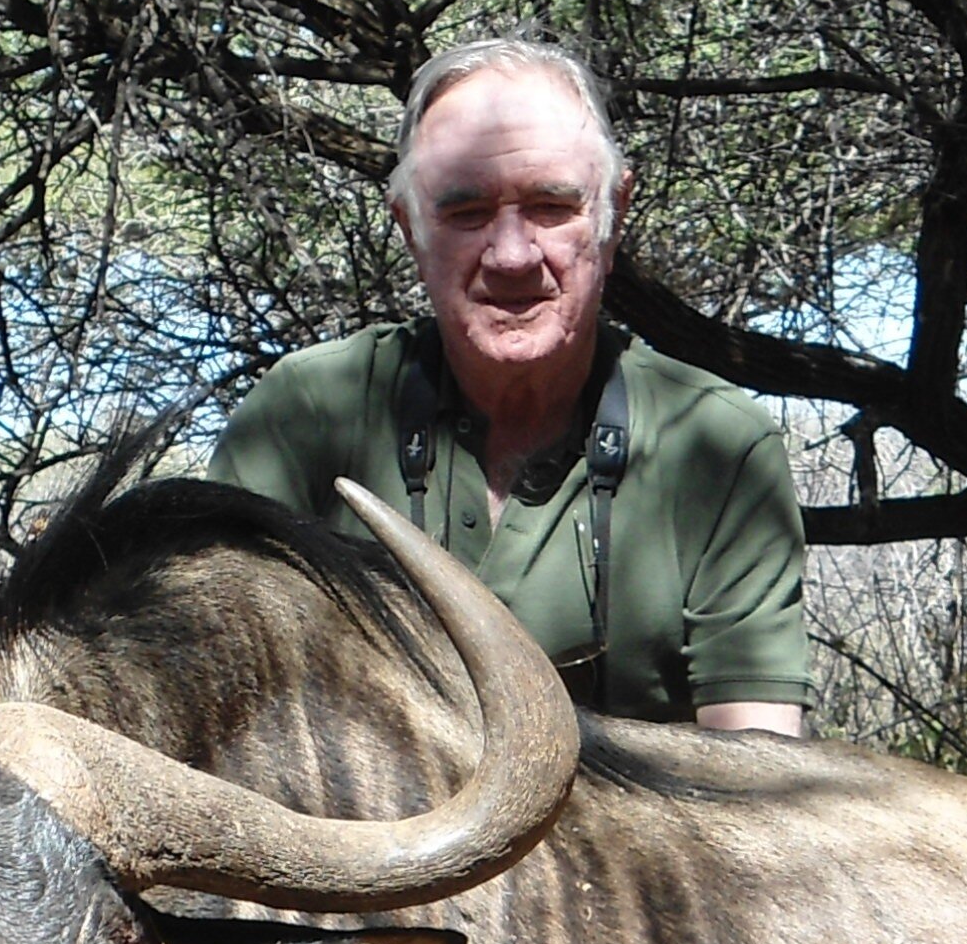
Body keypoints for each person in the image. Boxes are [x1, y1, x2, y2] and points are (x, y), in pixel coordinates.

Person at [207, 37, 810, 733]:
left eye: (552, 207)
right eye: (466, 214)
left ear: (613, 217)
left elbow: (757, 774)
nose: (514, 255)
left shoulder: (721, 446)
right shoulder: (304, 415)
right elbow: (218, 709)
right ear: (410, 232)